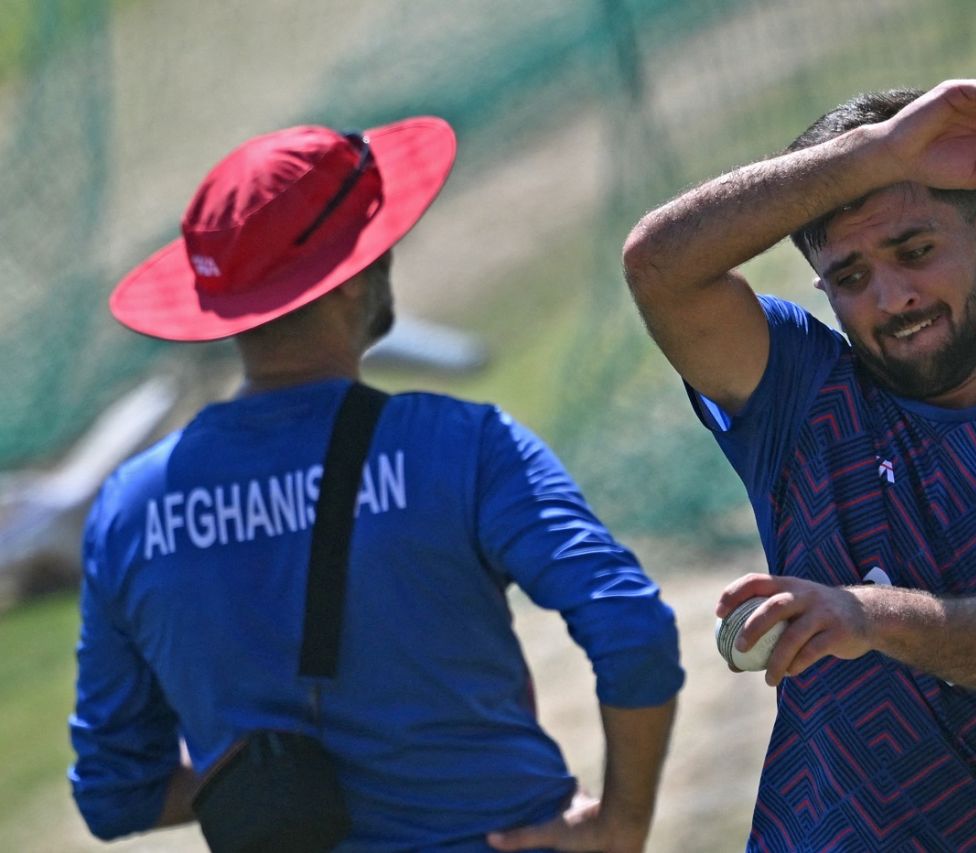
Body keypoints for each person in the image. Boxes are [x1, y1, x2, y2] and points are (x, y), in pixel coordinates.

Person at [69, 117, 683, 852]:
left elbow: (113, 791)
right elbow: (632, 625)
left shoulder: (129, 510)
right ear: (354, 273)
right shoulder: (463, 445)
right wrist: (622, 822)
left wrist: (267, 779)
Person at [622, 69, 976, 850]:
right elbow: (660, 265)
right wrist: (877, 153)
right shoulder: (801, 397)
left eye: (915, 250)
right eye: (849, 278)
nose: (892, 297)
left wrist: (868, 614)